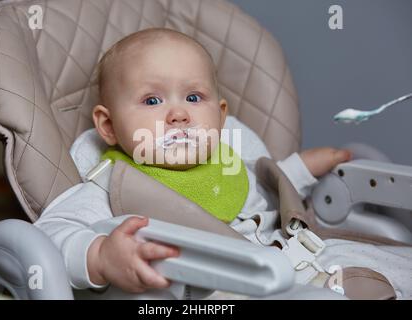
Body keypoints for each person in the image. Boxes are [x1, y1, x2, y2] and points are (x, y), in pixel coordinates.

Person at [35, 28, 411, 299]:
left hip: (297, 260)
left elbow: (263, 193)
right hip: (216, 291)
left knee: (398, 261)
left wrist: (297, 169)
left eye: (194, 97)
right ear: (108, 125)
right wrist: (100, 255)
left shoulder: (228, 161)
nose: (178, 114)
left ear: (220, 115)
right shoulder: (111, 186)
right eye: (152, 101)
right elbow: (49, 235)